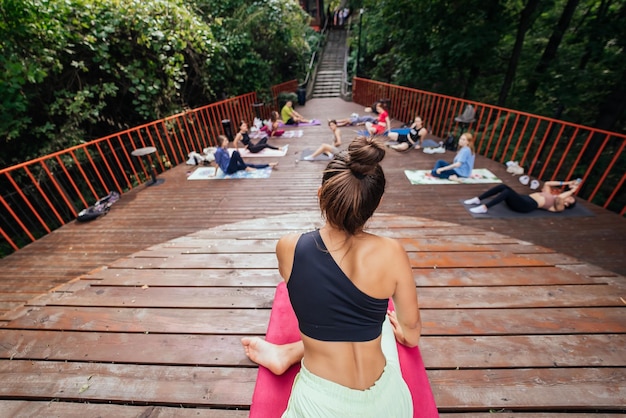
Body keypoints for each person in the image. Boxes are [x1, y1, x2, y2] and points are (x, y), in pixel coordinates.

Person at [241, 136, 421, 417]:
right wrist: (403, 332)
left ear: (320, 195)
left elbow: (318, 298)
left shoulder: (289, 248)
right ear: (377, 202)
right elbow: (411, 335)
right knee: (384, 323)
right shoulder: (393, 253)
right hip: (388, 406)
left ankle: (288, 353)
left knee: (331, 324)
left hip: (320, 407)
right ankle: (287, 353)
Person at [464, 179, 581, 214]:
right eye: (569, 196)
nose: (568, 196)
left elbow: (560, 198)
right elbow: (548, 183)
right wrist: (567, 183)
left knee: (507, 193)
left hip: (526, 206)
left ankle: (485, 208)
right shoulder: (551, 195)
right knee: (503, 186)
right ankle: (478, 199)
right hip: (525, 199)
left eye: (570, 198)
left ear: (567, 204)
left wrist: (573, 190)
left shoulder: (559, 206)